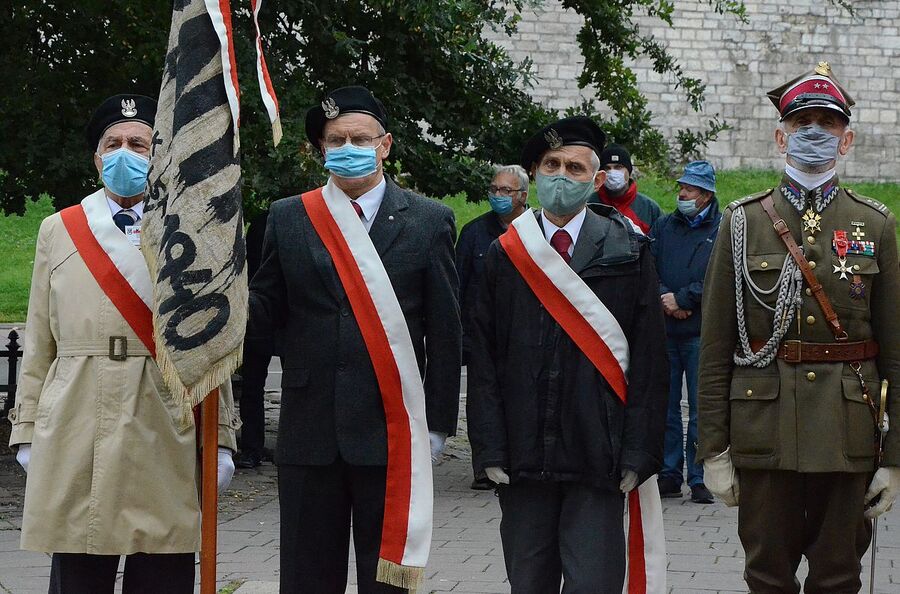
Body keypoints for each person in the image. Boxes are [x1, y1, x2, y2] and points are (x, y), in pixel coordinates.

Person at [7, 94, 238, 594]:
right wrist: (26, 427)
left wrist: (220, 437)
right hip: (76, 413)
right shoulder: (59, 229)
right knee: (78, 566)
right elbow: (39, 335)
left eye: (139, 143)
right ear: (96, 158)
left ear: (158, 156)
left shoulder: (190, 230)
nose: (124, 153)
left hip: (163, 410)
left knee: (162, 563)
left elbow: (212, 341)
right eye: (112, 143)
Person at [248, 85, 461, 593]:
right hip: (309, 427)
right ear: (320, 149)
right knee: (305, 575)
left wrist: (437, 423)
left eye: (360, 138)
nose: (348, 147)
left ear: (385, 144)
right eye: (336, 139)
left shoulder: (429, 222)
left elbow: (446, 331)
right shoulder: (288, 217)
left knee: (386, 578)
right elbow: (264, 311)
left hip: (389, 427)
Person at [698, 62, 900, 593]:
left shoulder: (875, 224)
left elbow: (896, 351)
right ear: (780, 138)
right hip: (763, 429)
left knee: (838, 576)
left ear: (847, 138)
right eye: (801, 122)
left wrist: (895, 457)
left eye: (827, 124)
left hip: (846, 433)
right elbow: (716, 348)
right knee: (767, 574)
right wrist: (713, 449)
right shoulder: (742, 222)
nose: (814, 133)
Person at [467, 116, 668, 593]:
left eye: (575, 168)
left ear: (596, 180)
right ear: (534, 172)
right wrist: (489, 447)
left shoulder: (629, 251)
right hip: (522, 454)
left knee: (593, 583)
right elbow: (483, 359)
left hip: (598, 454)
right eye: (552, 165)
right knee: (528, 583)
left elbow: (650, 363)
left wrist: (639, 452)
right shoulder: (504, 254)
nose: (562, 176)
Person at [650, 160, 721, 504]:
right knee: (665, 406)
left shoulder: (720, 231)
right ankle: (668, 473)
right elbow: (650, 266)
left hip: (698, 332)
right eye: (681, 187)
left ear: (706, 195)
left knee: (699, 408)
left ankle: (698, 477)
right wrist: (666, 299)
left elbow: (717, 279)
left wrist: (682, 298)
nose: (682, 193)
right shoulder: (664, 225)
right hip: (665, 330)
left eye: (689, 189)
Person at [456, 164, 528, 490]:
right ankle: (485, 465)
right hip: (481, 333)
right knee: (482, 400)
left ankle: (519, 460)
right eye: (494, 189)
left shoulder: (535, 229)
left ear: (523, 196)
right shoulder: (474, 233)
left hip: (524, 333)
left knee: (520, 397)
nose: (498, 196)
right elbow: (458, 285)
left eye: (506, 191)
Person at [234, 209, 276, 468]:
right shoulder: (290, 219)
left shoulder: (263, 221)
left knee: (252, 386)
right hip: (271, 314)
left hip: (259, 311)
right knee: (253, 386)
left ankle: (252, 448)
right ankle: (253, 447)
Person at [589, 144, 662, 234]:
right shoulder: (588, 203)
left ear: (629, 171)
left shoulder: (649, 209)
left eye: (618, 167)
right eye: (607, 168)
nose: (612, 172)